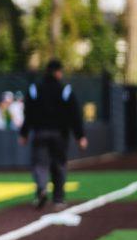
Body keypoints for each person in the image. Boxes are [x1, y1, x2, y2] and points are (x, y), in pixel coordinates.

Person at [20, 59, 87, 209]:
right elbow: (74, 114)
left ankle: (42, 189)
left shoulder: (35, 89)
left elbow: (28, 113)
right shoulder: (65, 89)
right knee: (59, 165)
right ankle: (58, 199)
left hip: (40, 133)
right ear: (58, 72)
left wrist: (24, 133)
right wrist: (80, 136)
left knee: (40, 164)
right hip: (60, 134)